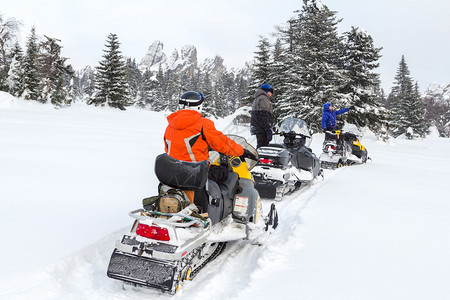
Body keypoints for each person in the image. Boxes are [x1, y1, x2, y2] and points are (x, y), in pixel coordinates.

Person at [163, 91, 256, 211]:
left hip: (174, 172)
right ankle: (224, 209)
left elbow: (170, 148)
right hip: (196, 173)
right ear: (198, 107)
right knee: (226, 173)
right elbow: (222, 143)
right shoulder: (202, 124)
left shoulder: (170, 125)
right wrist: (241, 151)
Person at [250, 83, 274, 148]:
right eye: (271, 92)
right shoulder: (264, 98)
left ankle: (259, 157)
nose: (271, 94)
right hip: (262, 128)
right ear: (267, 91)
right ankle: (260, 157)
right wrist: (267, 128)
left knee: (260, 145)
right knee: (263, 147)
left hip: (258, 127)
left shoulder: (257, 98)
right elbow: (264, 114)